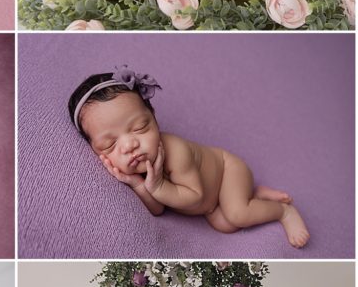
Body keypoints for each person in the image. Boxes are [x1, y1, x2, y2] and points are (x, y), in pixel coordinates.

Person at [69, 65, 309, 248]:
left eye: (141, 127)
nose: (130, 144)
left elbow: (195, 197)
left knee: (238, 214)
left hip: (227, 172)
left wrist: (159, 185)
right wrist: (137, 184)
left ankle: (282, 211)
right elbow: (158, 209)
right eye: (109, 144)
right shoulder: (138, 166)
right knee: (225, 225)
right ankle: (254, 194)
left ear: (154, 118)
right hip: (211, 203)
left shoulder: (175, 152)